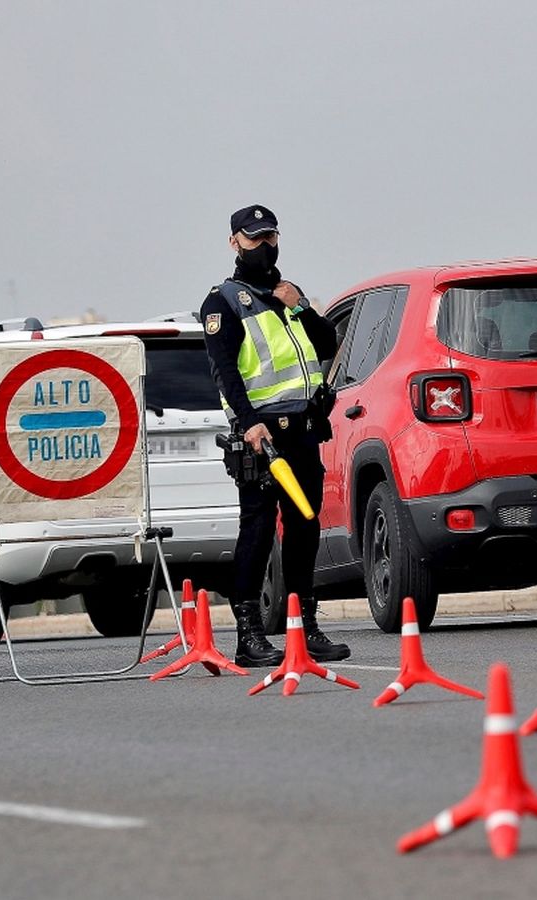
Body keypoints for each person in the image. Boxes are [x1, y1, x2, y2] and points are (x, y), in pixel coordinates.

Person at [201, 205, 349, 666]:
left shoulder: (288, 293)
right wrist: (249, 425)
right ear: (234, 243)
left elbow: (328, 343)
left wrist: (299, 306)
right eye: (253, 239)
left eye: (270, 237)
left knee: (305, 527)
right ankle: (248, 634)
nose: (264, 246)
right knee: (260, 531)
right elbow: (227, 373)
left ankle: (305, 626)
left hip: (303, 432)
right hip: (263, 437)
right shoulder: (223, 302)